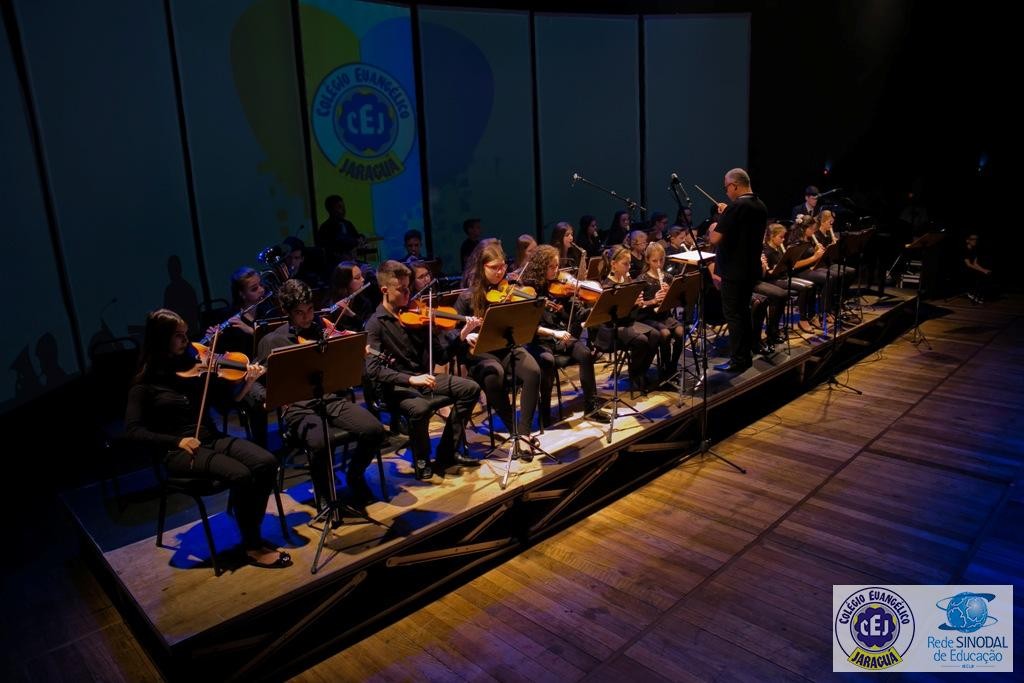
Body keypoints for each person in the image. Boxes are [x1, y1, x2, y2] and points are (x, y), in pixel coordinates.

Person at [124, 309, 291, 569]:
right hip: (179, 452)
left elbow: (228, 404)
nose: (186, 340)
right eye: (178, 335)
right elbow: (133, 431)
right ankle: (252, 544)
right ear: (161, 339)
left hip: (210, 438)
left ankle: (251, 530)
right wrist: (177, 442)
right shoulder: (144, 385)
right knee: (241, 475)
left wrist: (248, 382)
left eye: (185, 334)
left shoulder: (193, 368)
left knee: (267, 462)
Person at [257, 279, 385, 509]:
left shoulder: (321, 329)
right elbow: (257, 381)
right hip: (298, 406)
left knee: (374, 430)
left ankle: (354, 475)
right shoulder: (272, 340)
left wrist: (353, 353)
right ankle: (323, 490)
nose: (307, 317)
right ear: (287, 312)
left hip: (329, 398)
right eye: (300, 313)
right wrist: (267, 398)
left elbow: (342, 368)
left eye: (310, 310)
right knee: (320, 442)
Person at [365, 261, 482, 479]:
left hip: (425, 379)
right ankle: (422, 459)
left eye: (409, 287)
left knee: (471, 388)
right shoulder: (375, 324)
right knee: (420, 408)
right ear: (384, 290)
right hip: (396, 387)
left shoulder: (419, 316)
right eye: (401, 289)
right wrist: (411, 380)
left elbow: (442, 356)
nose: (408, 294)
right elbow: (373, 370)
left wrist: (462, 335)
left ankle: (448, 451)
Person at [455, 241, 543, 455]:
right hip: (479, 352)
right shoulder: (466, 297)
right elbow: (453, 332)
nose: (500, 271)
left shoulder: (508, 290)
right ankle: (514, 431)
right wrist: (466, 334)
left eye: (503, 266)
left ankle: (524, 433)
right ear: (481, 267)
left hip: (504, 345)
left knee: (533, 371)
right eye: (494, 267)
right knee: (494, 374)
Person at [519, 246, 610, 425]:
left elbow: (574, 315)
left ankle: (591, 406)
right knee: (547, 361)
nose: (556, 271)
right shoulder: (529, 289)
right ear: (541, 267)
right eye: (551, 267)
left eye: (557, 266)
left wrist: (590, 310)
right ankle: (544, 413)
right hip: (538, 339)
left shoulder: (561, 287)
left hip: (560, 336)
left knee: (585, 353)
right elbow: (528, 326)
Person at [707, 168, 768, 372]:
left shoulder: (736, 207)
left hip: (733, 271)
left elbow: (715, 238)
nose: (726, 192)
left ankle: (738, 360)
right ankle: (747, 355)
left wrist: (723, 216)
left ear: (734, 186)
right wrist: (728, 213)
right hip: (750, 269)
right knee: (744, 312)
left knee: (733, 315)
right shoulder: (760, 205)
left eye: (726, 188)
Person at [598, 245, 661, 393]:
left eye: (630, 264)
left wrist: (639, 303)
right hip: (613, 327)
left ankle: (641, 372)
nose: (629, 267)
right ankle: (634, 375)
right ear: (614, 264)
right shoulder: (607, 286)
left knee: (656, 335)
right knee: (642, 340)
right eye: (625, 264)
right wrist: (632, 304)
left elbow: (632, 311)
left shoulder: (627, 280)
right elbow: (611, 316)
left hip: (628, 323)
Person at [636, 242, 685, 376]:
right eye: (654, 261)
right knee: (665, 334)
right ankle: (665, 368)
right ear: (647, 260)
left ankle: (673, 366)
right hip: (647, 318)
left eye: (661, 260)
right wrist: (654, 300)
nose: (658, 264)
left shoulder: (668, 277)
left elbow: (677, 301)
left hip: (664, 316)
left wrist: (670, 294)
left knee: (681, 332)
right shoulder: (642, 279)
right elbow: (639, 306)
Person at [316, 195, 364, 264]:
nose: (344, 210)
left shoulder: (347, 223)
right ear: (331, 210)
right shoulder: (326, 227)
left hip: (351, 260)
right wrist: (353, 242)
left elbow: (356, 236)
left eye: (343, 207)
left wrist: (361, 238)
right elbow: (336, 244)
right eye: (339, 207)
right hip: (336, 263)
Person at [962, 234, 993, 303]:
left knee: (985, 273)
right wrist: (982, 270)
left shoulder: (974, 250)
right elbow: (968, 264)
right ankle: (971, 292)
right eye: (973, 239)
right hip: (962, 268)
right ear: (967, 240)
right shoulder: (964, 250)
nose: (975, 241)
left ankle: (979, 293)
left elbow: (975, 264)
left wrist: (984, 270)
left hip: (970, 268)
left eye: (976, 239)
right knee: (976, 274)